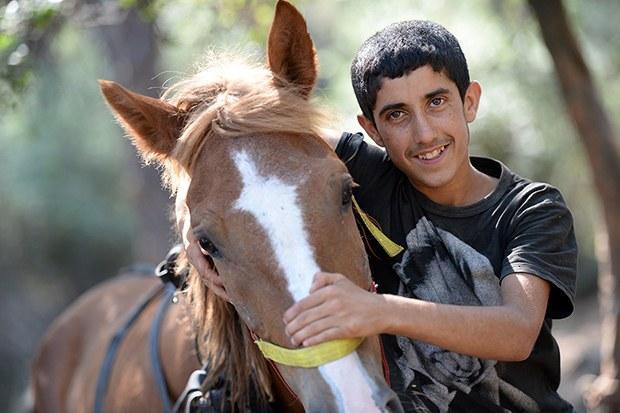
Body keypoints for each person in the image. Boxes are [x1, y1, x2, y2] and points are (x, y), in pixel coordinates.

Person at [186, 19, 577, 412]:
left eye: (436, 102)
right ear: (371, 129)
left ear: (470, 101)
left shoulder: (532, 208)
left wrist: (376, 311)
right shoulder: (370, 177)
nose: (424, 133)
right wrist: (193, 224)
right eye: (397, 115)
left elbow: (518, 332)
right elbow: (246, 149)